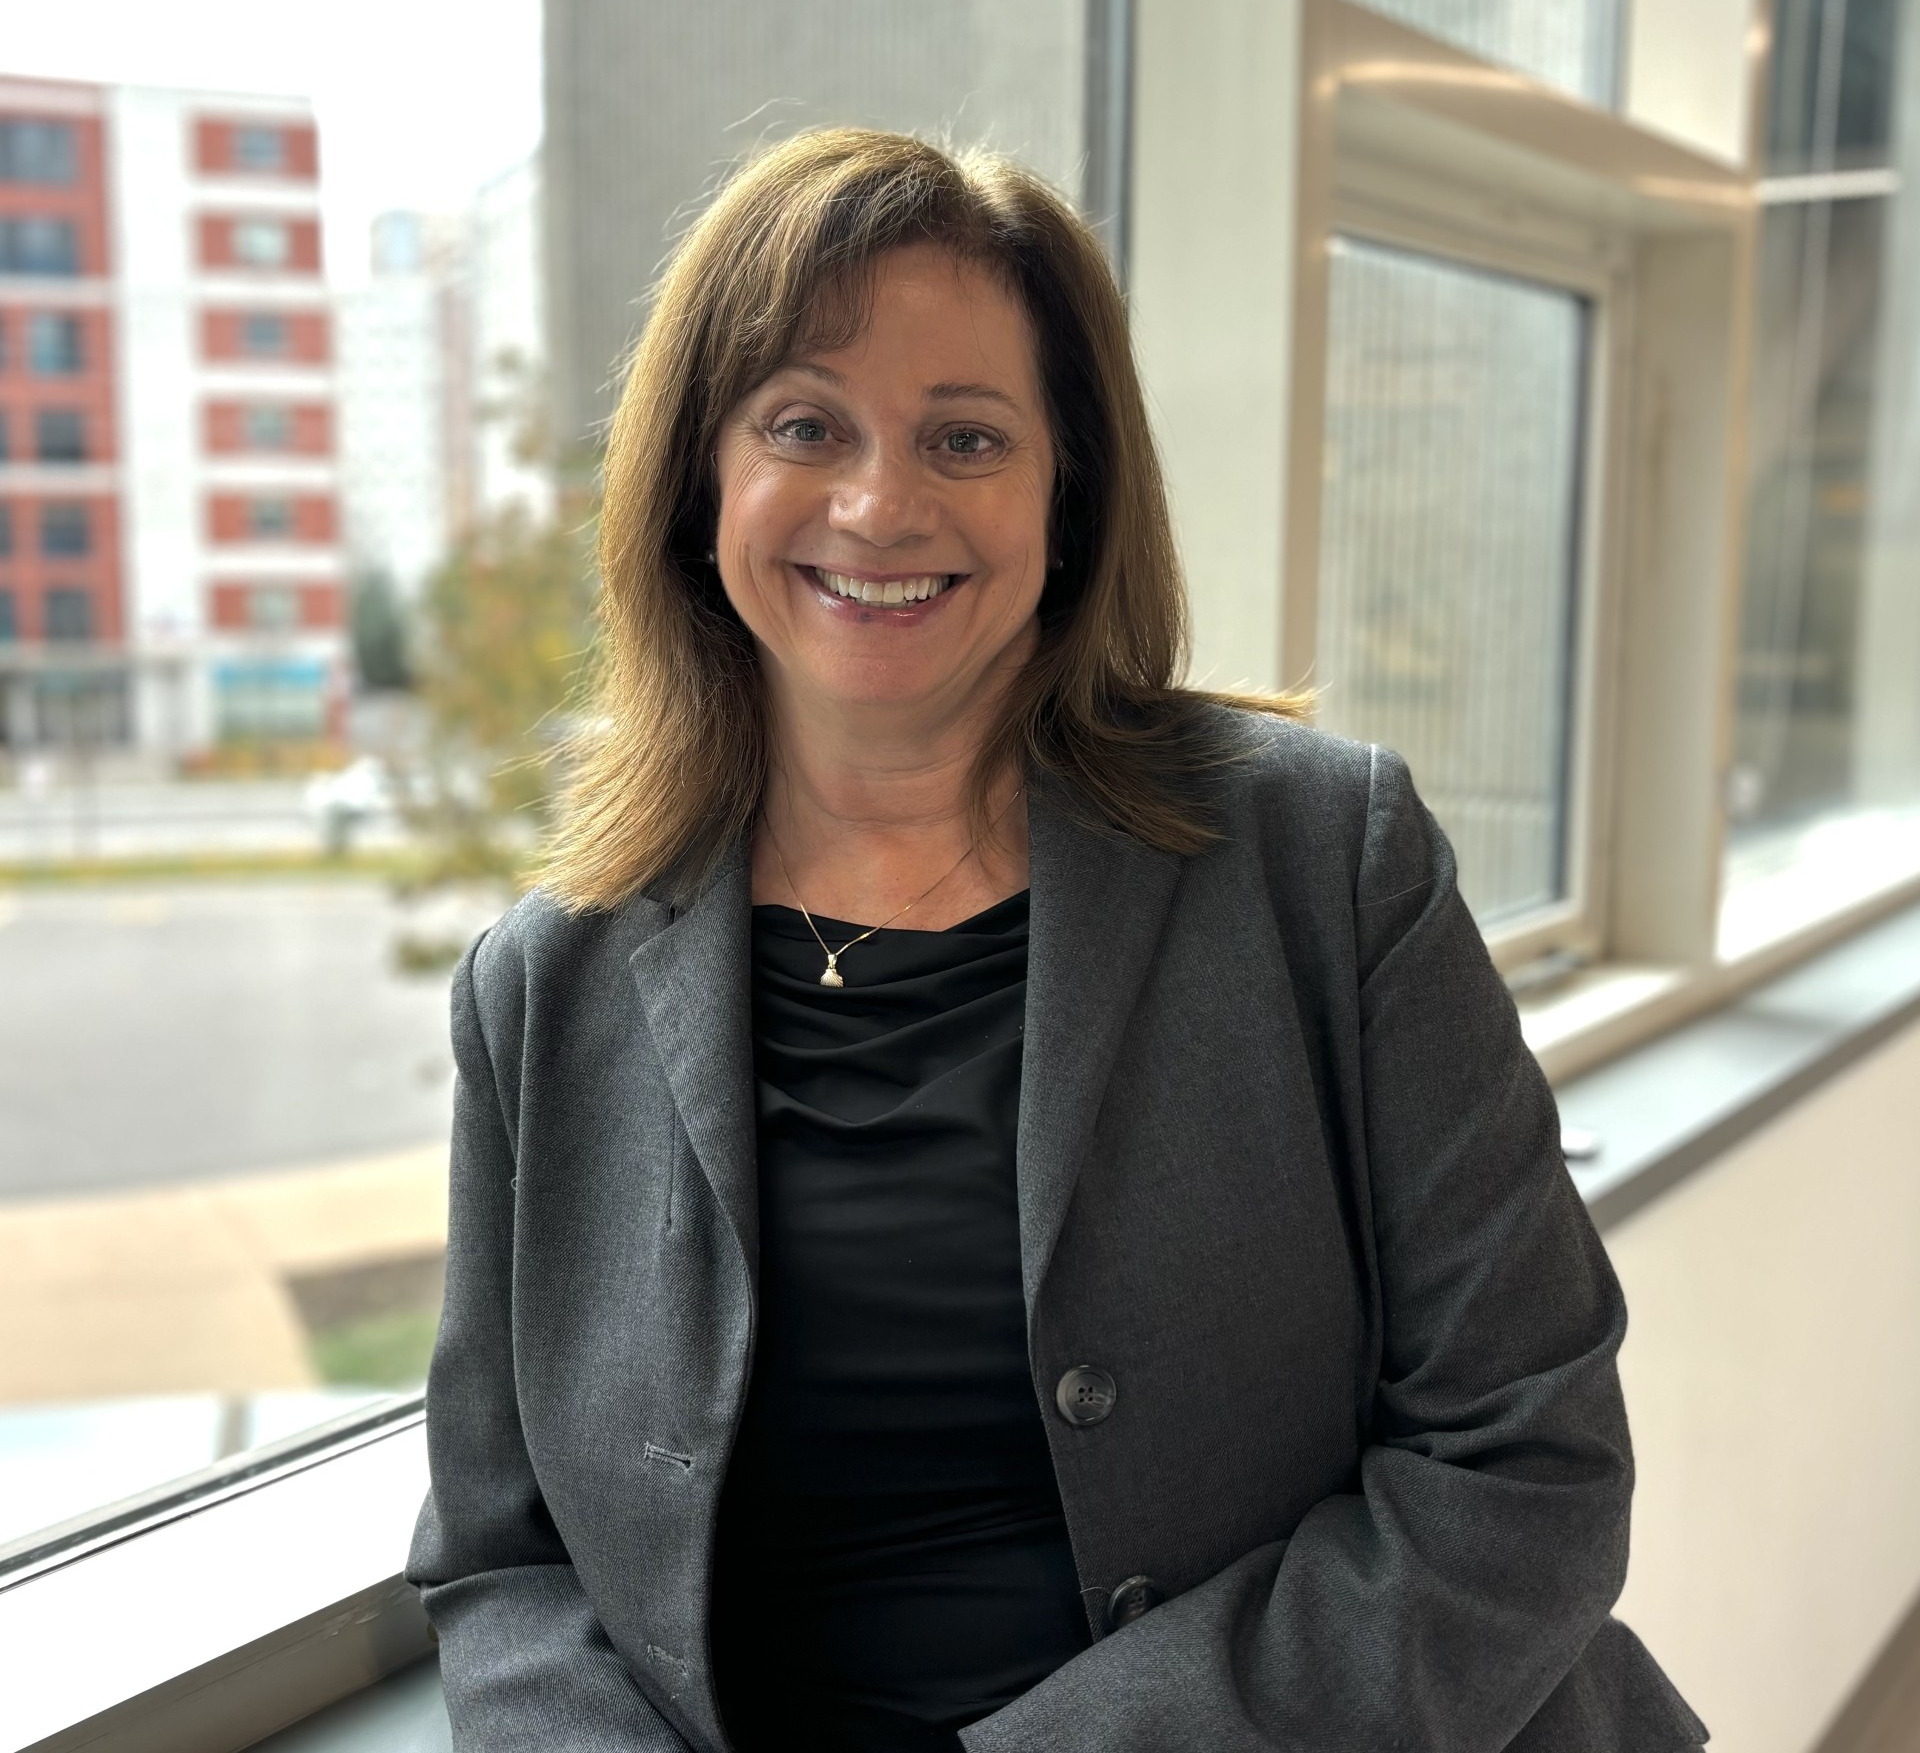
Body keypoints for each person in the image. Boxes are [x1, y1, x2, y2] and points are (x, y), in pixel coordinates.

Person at [408, 128, 1706, 1752]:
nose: (881, 505)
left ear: (1065, 492)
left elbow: (1529, 1466)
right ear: (699, 481)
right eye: (805, 425)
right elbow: (505, 1563)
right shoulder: (546, 988)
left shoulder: (1321, 858)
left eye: (966, 438)